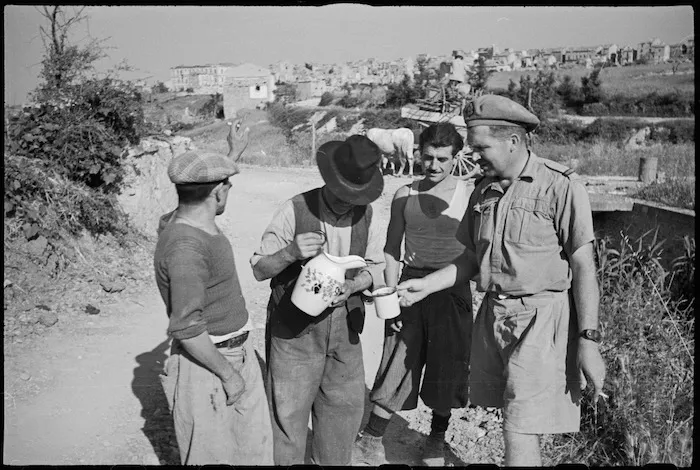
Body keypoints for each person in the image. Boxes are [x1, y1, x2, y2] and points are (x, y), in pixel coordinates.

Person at [398, 95, 607, 466]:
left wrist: (588, 339)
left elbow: (583, 264)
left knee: (519, 425)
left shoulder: (559, 186)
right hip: (494, 318)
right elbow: (470, 260)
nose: (474, 156)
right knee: (509, 415)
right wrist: (426, 285)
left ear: (512, 141)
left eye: (481, 147)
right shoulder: (483, 189)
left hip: (541, 321)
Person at [250, 135, 386, 466]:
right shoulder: (294, 210)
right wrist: (290, 252)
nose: (348, 202)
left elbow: (376, 268)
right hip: (294, 331)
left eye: (356, 196)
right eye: (342, 194)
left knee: (343, 413)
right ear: (329, 179)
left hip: (345, 332)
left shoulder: (367, 216)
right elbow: (258, 268)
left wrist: (354, 287)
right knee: (288, 415)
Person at [353, 122, 475, 467]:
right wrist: (389, 293)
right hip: (409, 286)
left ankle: (436, 437)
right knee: (396, 358)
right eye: (427, 157)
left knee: (448, 364)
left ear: (457, 157)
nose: (433, 166)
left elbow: (476, 252)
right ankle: (371, 437)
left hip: (452, 287)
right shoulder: (405, 194)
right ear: (417, 154)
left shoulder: (469, 194)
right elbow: (392, 247)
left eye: (442, 159)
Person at [154, 150, 274, 465]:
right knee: (213, 457)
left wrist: (231, 155)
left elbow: (199, 187)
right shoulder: (186, 248)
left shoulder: (180, 219)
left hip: (233, 353)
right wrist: (230, 375)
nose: (227, 191)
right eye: (227, 185)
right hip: (209, 365)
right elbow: (187, 328)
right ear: (218, 192)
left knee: (252, 453)